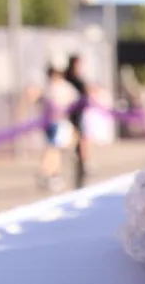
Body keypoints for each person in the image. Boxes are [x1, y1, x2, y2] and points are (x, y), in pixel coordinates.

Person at [21, 63, 77, 192]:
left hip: (52, 123)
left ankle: (53, 174)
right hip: (55, 123)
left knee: (54, 149)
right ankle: (46, 172)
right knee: (53, 149)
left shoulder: (50, 88)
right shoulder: (58, 88)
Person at [64, 54, 92, 189]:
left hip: (79, 115)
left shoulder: (78, 79)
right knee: (77, 138)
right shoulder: (70, 79)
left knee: (82, 138)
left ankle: (83, 160)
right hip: (71, 115)